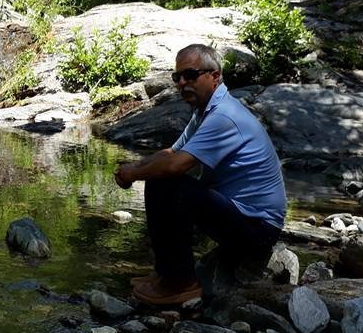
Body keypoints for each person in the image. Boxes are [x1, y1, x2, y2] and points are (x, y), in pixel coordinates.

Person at [114, 43, 286, 305]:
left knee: (168, 185)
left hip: (258, 229)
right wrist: (135, 169)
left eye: (190, 75)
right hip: (241, 216)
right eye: (177, 77)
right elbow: (171, 153)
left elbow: (176, 166)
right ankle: (165, 274)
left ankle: (181, 283)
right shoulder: (205, 112)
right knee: (160, 179)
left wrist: (134, 175)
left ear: (215, 76)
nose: (182, 83)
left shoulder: (225, 116)